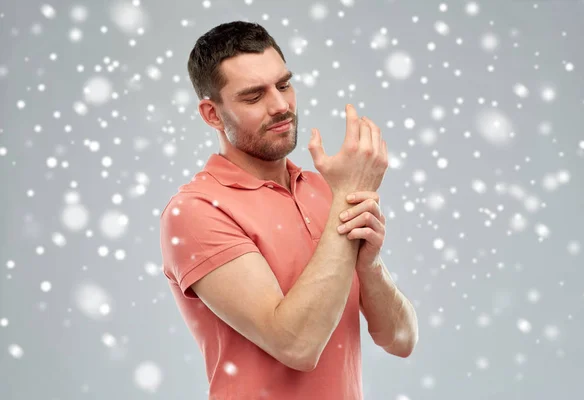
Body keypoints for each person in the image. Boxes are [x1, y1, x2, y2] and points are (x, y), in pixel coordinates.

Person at [160, 21, 418, 400]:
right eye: (253, 97)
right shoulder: (196, 211)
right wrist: (348, 195)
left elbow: (402, 339)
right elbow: (296, 345)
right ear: (212, 114)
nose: (280, 106)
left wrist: (370, 265)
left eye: (283, 85)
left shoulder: (322, 191)